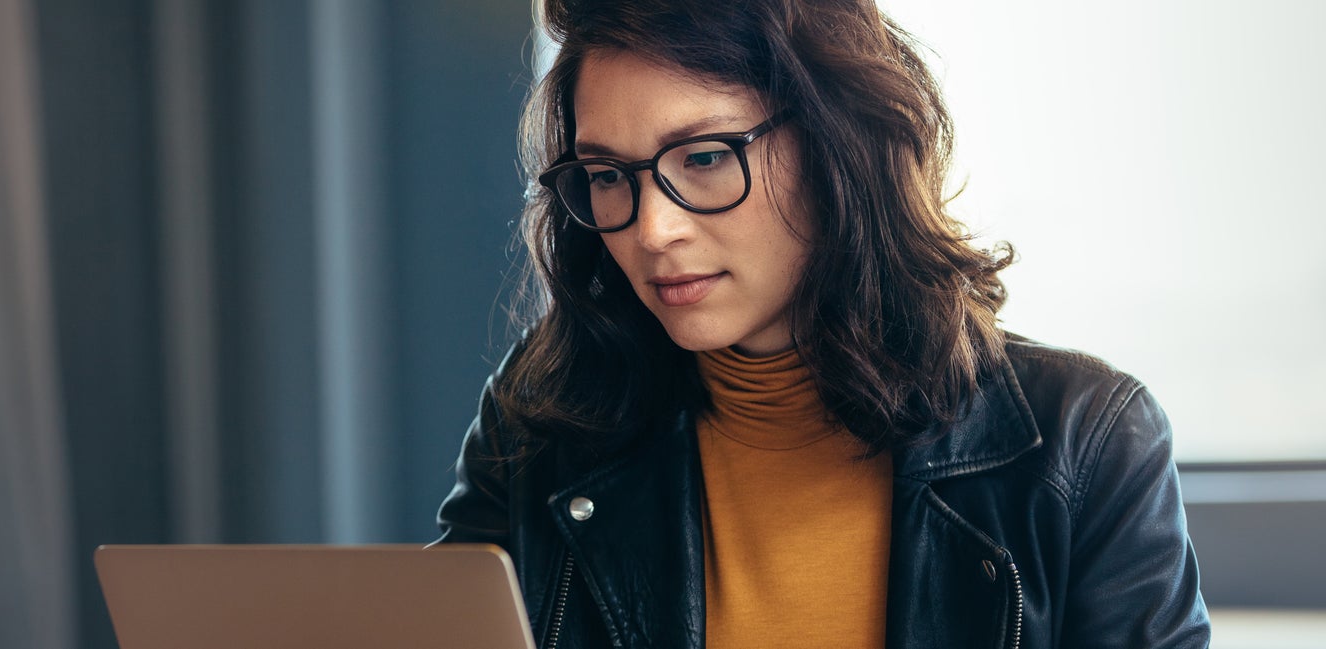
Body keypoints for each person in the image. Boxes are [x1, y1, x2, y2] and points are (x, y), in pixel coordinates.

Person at [430, 1, 1211, 647]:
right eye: (607, 176)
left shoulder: (1086, 439)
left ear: (837, 144)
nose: (651, 230)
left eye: (702, 157)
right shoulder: (539, 423)